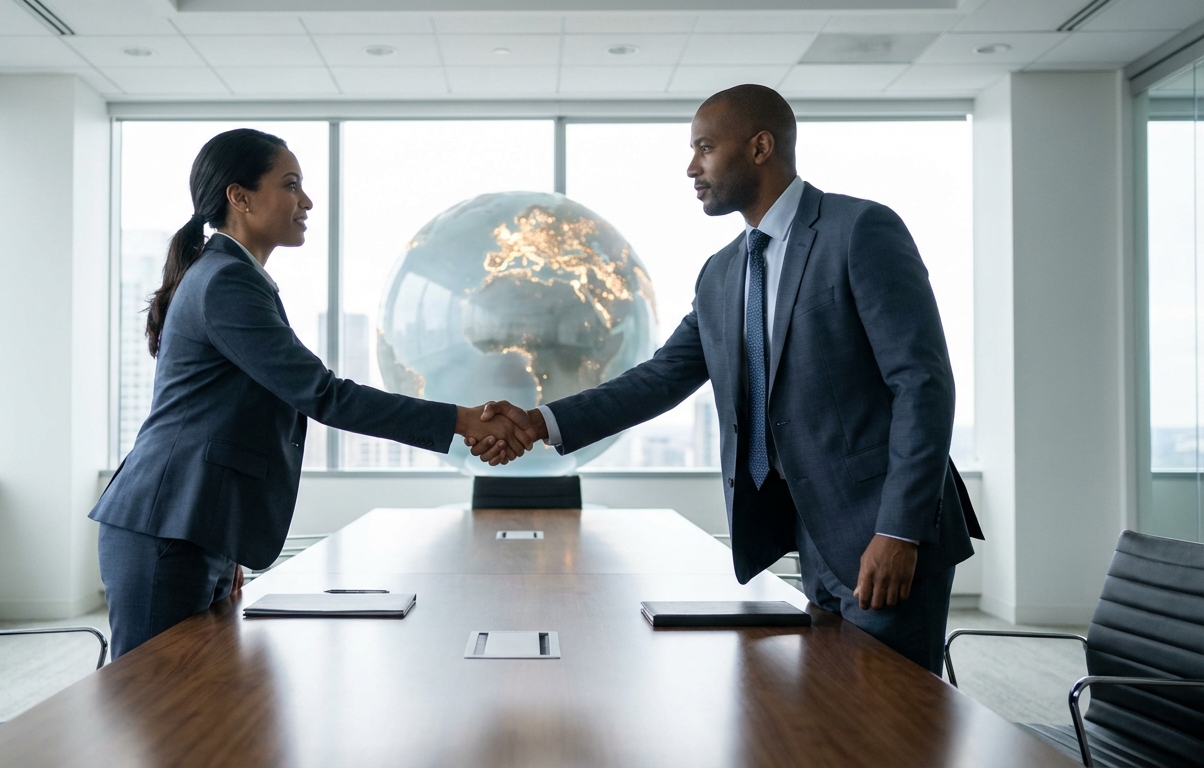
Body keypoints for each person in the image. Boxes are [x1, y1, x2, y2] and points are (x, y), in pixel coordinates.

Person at [481, 85, 980, 674]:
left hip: (885, 534)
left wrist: (901, 531)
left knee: (896, 727)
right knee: (836, 717)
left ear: (760, 146)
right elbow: (661, 378)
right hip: (812, 534)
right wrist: (540, 423)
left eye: (705, 148)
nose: (691, 168)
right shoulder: (722, 274)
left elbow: (921, 384)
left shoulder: (859, 230)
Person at [91, 128, 534, 658]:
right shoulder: (226, 282)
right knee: (152, 705)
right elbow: (322, 394)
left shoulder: (233, 276)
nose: (306, 201)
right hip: (166, 526)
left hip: (193, 523)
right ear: (240, 197)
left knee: (195, 700)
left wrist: (226, 539)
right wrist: (462, 420)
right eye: (291, 184)